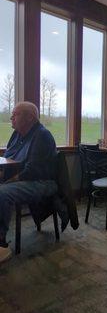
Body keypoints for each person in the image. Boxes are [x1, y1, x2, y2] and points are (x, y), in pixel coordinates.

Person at [0, 102, 58, 263]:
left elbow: (32, 170)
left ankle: (1, 245)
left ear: (30, 118)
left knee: (2, 193)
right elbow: (9, 159)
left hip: (42, 181)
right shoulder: (17, 134)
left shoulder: (42, 135)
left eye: (15, 114)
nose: (11, 117)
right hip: (25, 178)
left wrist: (6, 181)